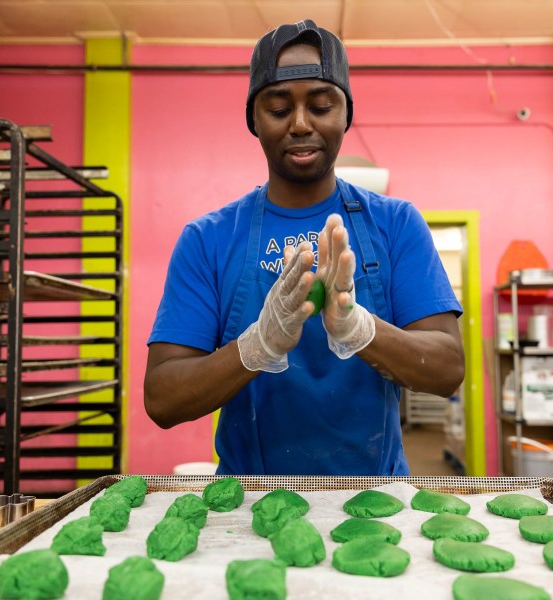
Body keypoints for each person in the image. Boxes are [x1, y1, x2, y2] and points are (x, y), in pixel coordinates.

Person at [144, 19, 465, 476]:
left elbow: (448, 368)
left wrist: (361, 329)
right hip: (248, 506)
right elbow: (162, 398)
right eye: (278, 108)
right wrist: (258, 345)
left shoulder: (396, 224)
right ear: (253, 119)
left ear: (345, 115)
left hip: (376, 503)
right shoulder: (208, 240)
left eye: (320, 106)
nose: (300, 124)